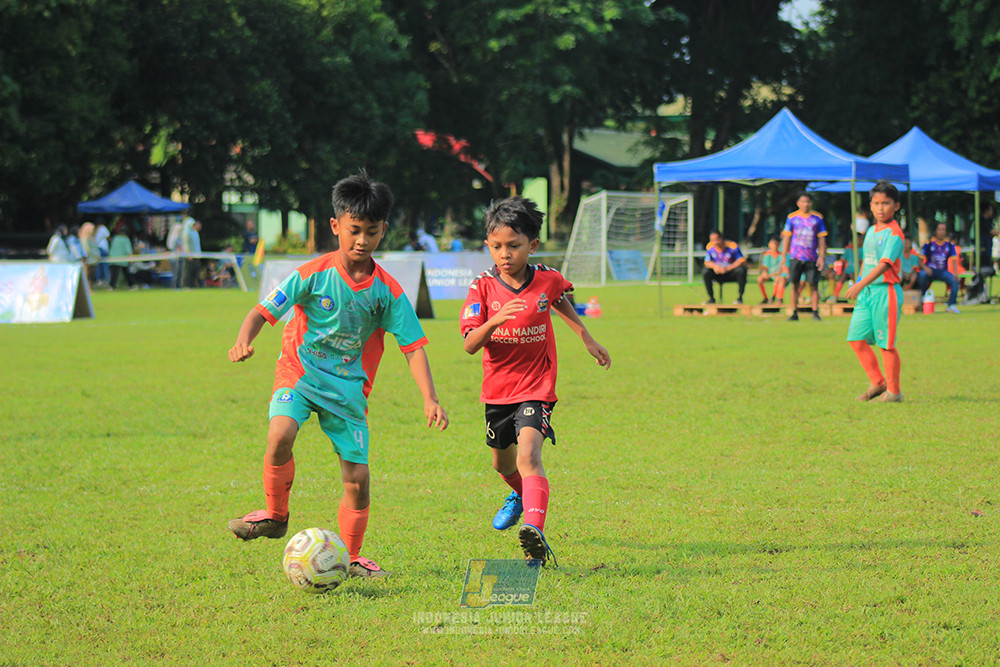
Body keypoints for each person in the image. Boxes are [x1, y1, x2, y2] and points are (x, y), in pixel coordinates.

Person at [227, 173, 449, 579]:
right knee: (279, 436)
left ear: (383, 231)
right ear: (336, 226)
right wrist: (244, 340)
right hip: (300, 373)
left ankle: (350, 556)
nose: (361, 240)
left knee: (358, 479)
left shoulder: (388, 291)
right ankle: (276, 517)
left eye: (371, 232)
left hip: (347, 389)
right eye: (354, 231)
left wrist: (429, 397)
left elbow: (413, 346)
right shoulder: (312, 273)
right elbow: (262, 311)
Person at [459, 196, 611, 566]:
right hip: (497, 391)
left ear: (533, 245)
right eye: (496, 247)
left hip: (536, 386)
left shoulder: (546, 278)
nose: (505, 254)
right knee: (503, 465)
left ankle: (534, 536)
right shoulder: (482, 287)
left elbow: (558, 298)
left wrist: (586, 337)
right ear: (487, 246)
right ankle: (520, 495)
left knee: (529, 455)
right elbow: (468, 345)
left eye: (514, 245)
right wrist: (494, 322)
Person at [846, 181, 906, 403]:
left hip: (886, 292)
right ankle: (877, 382)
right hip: (868, 292)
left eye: (886, 203)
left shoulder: (895, 234)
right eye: (876, 203)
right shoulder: (871, 230)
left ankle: (894, 392)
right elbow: (867, 261)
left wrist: (860, 284)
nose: (880, 208)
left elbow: (884, 264)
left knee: (886, 344)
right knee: (855, 339)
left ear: (896, 206)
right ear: (870, 205)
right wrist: (861, 282)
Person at [781, 192, 827, 320]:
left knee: (813, 284)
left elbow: (822, 238)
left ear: (811, 203)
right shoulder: (792, 218)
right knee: (794, 284)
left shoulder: (817, 218)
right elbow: (787, 237)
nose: (805, 204)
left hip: (811, 257)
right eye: (803, 201)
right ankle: (794, 311)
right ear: (798, 203)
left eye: (808, 202)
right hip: (796, 257)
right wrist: (784, 256)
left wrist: (821, 256)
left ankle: (815, 311)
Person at [918, 221, 961, 314]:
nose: (941, 232)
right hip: (930, 270)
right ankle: (923, 300)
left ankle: (951, 305)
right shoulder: (928, 244)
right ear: (935, 231)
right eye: (939, 229)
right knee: (922, 275)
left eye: (943, 230)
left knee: (954, 281)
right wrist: (926, 268)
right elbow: (920, 262)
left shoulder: (949, 245)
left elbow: (954, 260)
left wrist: (956, 273)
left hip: (942, 272)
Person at [701, 230, 748, 304]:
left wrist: (728, 268)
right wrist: (715, 266)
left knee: (741, 270)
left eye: (717, 240)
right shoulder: (710, 247)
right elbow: (707, 262)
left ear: (721, 238)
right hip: (718, 273)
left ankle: (739, 298)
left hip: (731, 272)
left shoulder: (732, 246)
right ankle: (711, 298)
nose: (715, 242)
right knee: (705, 272)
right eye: (712, 240)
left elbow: (741, 260)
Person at [756, 236, 786, 304]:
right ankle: (765, 298)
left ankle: (776, 298)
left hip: (778, 275)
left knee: (779, 279)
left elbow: (783, 268)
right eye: (772, 244)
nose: (774, 246)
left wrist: (776, 274)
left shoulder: (781, 255)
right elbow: (765, 267)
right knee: (760, 279)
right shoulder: (767, 255)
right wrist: (765, 273)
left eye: (775, 244)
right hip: (770, 274)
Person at [107, 219, 134, 289]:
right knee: (126, 272)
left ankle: (111, 286)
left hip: (113, 258)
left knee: (114, 274)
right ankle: (131, 285)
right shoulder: (126, 239)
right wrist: (131, 259)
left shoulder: (115, 238)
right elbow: (129, 250)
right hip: (122, 259)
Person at [181, 216, 202, 288]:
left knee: (195, 271)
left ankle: (193, 285)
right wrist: (188, 254)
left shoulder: (195, 233)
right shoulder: (186, 233)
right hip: (189, 256)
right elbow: (186, 245)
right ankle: (186, 285)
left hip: (196, 255)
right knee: (188, 271)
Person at [94, 221, 111, 286]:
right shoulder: (103, 228)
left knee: (98, 264)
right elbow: (108, 237)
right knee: (105, 263)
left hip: (97, 248)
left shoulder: (96, 230)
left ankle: (98, 279)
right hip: (103, 248)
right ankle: (106, 279)